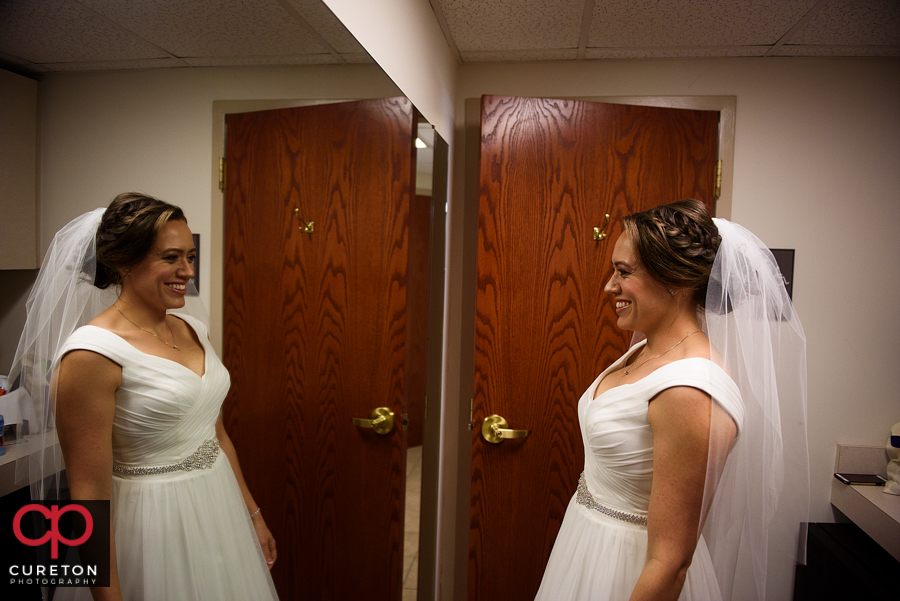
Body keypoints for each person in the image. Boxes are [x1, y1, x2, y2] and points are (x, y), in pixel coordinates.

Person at [534, 199, 809, 601]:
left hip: (630, 572)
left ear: (675, 280)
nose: (609, 286)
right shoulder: (647, 349)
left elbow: (672, 561)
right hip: (586, 546)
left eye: (624, 272)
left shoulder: (692, 390)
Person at [9, 193, 279, 601]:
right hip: (151, 527)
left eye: (190, 256)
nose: (186, 271)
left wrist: (252, 514)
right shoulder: (91, 353)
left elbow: (216, 435)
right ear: (124, 262)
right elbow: (88, 496)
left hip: (218, 509)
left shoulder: (194, 330)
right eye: (171, 258)